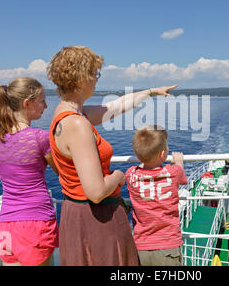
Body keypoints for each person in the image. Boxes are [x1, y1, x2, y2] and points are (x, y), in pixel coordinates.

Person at [46, 45, 177, 265]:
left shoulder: (66, 113)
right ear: (81, 78)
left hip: (76, 214)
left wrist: (151, 92)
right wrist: (118, 176)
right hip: (95, 217)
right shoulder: (77, 123)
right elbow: (96, 192)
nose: (97, 80)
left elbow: (115, 107)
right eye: (94, 74)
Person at [0, 77, 59, 266]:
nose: (45, 105)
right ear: (28, 103)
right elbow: (61, 172)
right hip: (37, 223)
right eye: (42, 100)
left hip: (6, 224)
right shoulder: (40, 138)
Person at [125, 125, 187, 266]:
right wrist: (179, 163)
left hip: (141, 247)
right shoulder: (174, 171)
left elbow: (145, 169)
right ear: (163, 154)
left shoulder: (130, 174)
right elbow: (183, 180)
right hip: (168, 245)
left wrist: (145, 156)